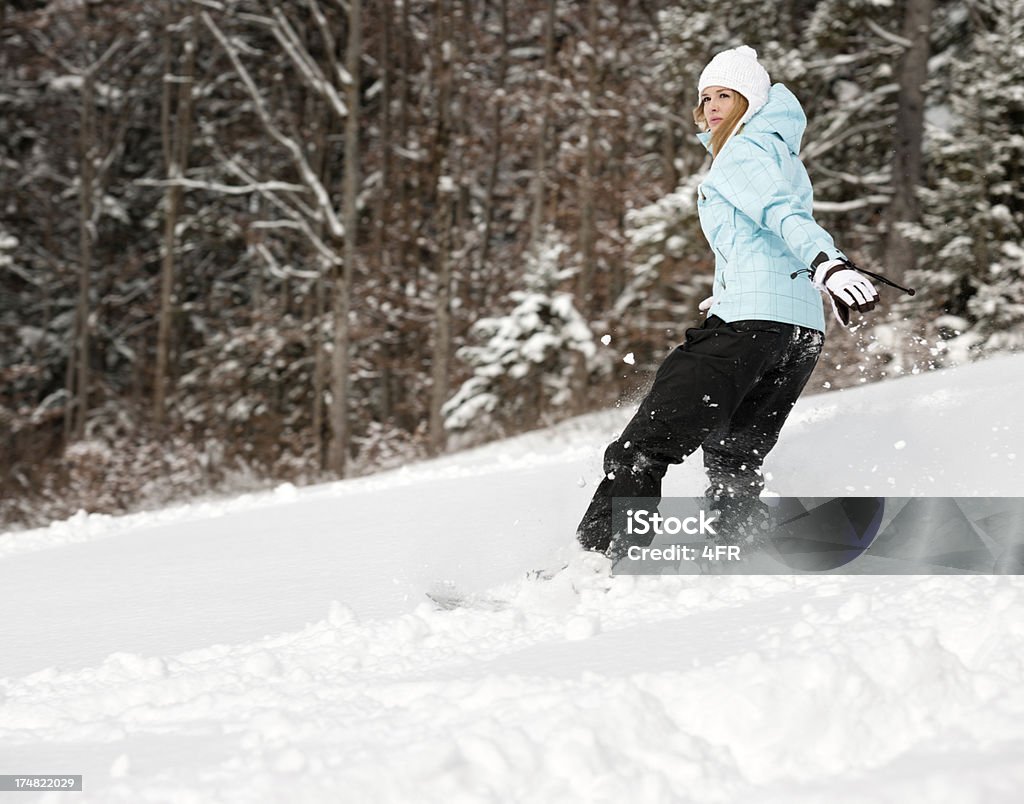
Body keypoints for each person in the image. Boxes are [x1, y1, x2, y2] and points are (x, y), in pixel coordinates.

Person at [576, 45, 881, 558]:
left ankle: (603, 564)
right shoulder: (781, 153)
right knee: (734, 455)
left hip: (747, 329)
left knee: (641, 448)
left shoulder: (741, 151)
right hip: (798, 334)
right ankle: (743, 550)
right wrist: (735, 287)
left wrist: (829, 262)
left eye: (726, 94)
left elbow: (783, 216)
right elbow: (770, 234)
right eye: (706, 97)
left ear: (751, 100)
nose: (712, 106)